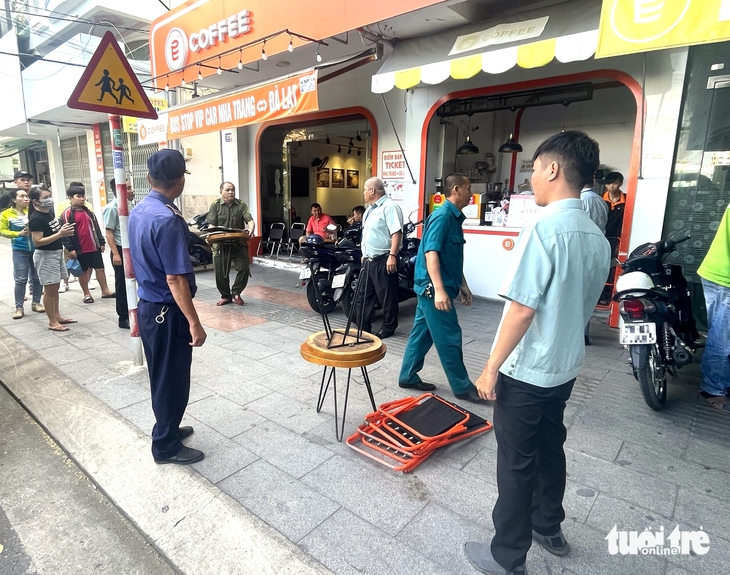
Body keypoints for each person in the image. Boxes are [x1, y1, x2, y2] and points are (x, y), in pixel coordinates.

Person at [466, 131, 610, 575]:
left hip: (527, 372)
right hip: (563, 370)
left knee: (515, 462)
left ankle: (507, 556)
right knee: (551, 448)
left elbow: (522, 310)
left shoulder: (544, 229)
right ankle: (549, 526)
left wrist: (490, 369)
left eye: (534, 167)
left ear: (553, 169)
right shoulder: (597, 236)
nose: (531, 177)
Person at [128, 149, 206, 465]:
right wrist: (194, 322)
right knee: (172, 379)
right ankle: (165, 445)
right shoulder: (168, 219)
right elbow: (175, 278)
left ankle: (168, 428)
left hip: (149, 308)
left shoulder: (140, 210)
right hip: (166, 312)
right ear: (180, 182)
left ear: (149, 178)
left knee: (162, 376)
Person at [398, 174, 482, 402]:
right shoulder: (443, 216)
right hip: (433, 290)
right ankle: (463, 387)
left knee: (421, 334)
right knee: (449, 336)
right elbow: (431, 253)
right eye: (468, 188)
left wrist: (463, 284)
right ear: (456, 189)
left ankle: (407, 376)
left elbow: (450, 258)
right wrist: (440, 290)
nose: (471, 193)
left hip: (436, 287)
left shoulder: (453, 218)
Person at [359, 178, 404, 339]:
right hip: (369, 260)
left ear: (372, 191)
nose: (363, 192)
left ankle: (388, 327)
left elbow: (396, 232)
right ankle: (364, 325)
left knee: (387, 295)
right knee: (365, 294)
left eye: (365, 189)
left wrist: (392, 255)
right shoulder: (370, 210)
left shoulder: (389, 207)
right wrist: (364, 254)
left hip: (384, 259)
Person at [27, 187, 77, 331]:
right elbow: (37, 241)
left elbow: (53, 230)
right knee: (49, 289)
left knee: (54, 287)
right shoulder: (36, 218)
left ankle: (57, 316)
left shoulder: (48, 213)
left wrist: (63, 230)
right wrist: (60, 234)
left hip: (56, 253)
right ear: (36, 201)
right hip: (45, 256)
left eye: (49, 196)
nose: (49, 199)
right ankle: (52, 322)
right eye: (45, 197)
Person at [697, 200, 730, 413]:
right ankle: (713, 389)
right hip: (724, 277)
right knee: (722, 337)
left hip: (717, 272)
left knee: (721, 333)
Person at [60, 185, 114, 303]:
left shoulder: (89, 212)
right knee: (83, 271)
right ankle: (86, 294)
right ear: (70, 198)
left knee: (100, 269)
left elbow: (96, 227)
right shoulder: (67, 214)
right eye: (78, 196)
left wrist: (101, 242)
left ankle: (105, 291)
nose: (81, 199)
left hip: (94, 247)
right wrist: (71, 248)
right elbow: (65, 233)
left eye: (83, 196)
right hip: (80, 249)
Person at [206, 181, 255, 306]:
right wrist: (211, 234)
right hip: (221, 244)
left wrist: (250, 229)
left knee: (244, 268)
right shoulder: (215, 205)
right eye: (227, 190)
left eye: (232, 189)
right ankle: (225, 296)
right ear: (221, 192)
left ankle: (236, 292)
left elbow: (250, 221)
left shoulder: (241, 205)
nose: (231, 192)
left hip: (238, 243)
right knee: (220, 273)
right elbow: (211, 224)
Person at [0, 189, 44, 319]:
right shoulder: (6, 214)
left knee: (37, 277)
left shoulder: (32, 211)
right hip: (20, 250)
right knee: (21, 279)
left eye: (27, 196)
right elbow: (2, 230)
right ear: (14, 199)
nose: (26, 199)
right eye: (22, 196)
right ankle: (19, 307)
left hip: (36, 249)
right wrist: (17, 234)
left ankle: (36, 302)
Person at [580, 173, 608, 345]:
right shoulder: (601, 200)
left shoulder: (581, 201)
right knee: (588, 294)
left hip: (584, 249)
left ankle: (578, 334)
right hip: (599, 248)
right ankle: (584, 333)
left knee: (577, 294)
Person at [103, 178, 134, 328]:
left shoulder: (128, 206)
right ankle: (123, 317)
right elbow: (109, 232)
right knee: (122, 284)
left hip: (130, 249)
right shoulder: (112, 208)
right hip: (120, 250)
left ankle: (132, 311)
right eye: (128, 188)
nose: (131, 190)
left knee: (132, 283)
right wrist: (115, 253)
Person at [600, 171, 626, 304]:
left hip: (617, 240)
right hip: (601, 238)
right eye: (608, 183)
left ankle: (607, 296)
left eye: (614, 183)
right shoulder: (600, 200)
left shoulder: (627, 201)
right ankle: (599, 295)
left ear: (620, 183)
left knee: (613, 267)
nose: (611, 186)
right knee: (600, 266)